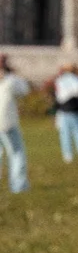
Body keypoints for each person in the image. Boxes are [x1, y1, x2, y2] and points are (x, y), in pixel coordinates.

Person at [0, 55, 31, 193]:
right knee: (17, 152)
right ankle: (19, 185)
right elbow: (25, 90)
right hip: (6, 122)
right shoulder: (10, 81)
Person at [53, 63, 78, 164]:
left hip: (64, 110)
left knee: (65, 134)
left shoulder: (60, 80)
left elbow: (58, 97)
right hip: (76, 109)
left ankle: (68, 156)